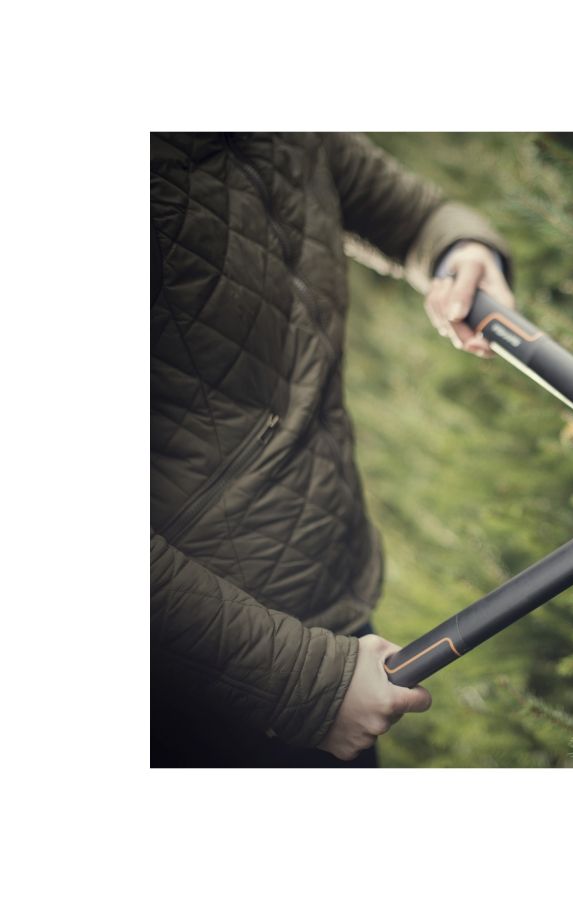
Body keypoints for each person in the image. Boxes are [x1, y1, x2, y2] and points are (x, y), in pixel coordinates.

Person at [150, 133, 516, 766]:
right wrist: (301, 683)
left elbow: (414, 216)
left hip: (335, 622)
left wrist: (463, 250)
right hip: (207, 675)